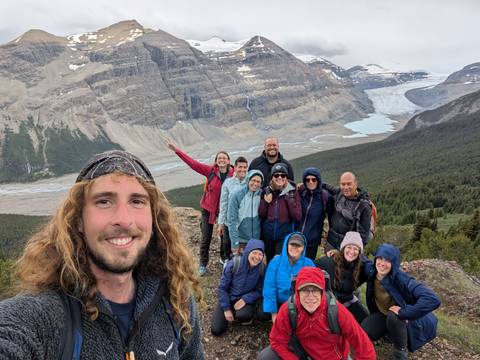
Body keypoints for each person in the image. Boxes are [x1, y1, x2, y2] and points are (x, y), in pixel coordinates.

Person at [0, 150, 204, 359]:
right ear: (78, 220)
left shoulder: (177, 301)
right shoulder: (44, 317)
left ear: (153, 219)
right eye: (104, 201)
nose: (124, 220)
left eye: (137, 201)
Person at [258, 267, 376, 360]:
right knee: (266, 357)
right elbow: (277, 340)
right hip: (303, 351)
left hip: (331, 357)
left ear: (322, 292)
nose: (310, 297)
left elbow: (364, 346)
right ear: (297, 293)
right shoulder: (289, 309)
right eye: (305, 290)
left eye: (315, 290)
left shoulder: (337, 311)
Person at [166, 138, 234, 275]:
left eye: (224, 158)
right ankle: (203, 263)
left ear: (228, 161)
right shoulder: (210, 171)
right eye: (219, 158)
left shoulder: (234, 174)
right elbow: (193, 164)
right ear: (216, 161)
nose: (221, 160)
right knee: (206, 238)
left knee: (225, 237)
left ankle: (223, 258)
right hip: (208, 209)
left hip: (224, 211)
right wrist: (177, 151)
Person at [361, 243, 441, 360]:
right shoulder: (372, 271)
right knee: (366, 330)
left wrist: (405, 312)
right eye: (380, 258)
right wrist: (337, 252)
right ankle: (389, 334)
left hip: (405, 319)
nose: (382, 263)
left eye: (388, 260)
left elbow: (432, 299)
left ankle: (400, 352)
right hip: (384, 315)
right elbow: (361, 257)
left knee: (394, 316)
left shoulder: (402, 279)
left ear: (394, 263)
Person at [211, 239, 267, 336]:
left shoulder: (261, 269)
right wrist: (226, 309)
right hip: (228, 297)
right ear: (248, 251)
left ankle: (239, 314)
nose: (257, 257)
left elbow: (259, 290)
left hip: (244, 298)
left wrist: (246, 299)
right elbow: (222, 288)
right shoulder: (234, 264)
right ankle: (231, 311)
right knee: (216, 330)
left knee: (244, 315)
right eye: (254, 253)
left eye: (260, 254)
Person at [315, 231, 370, 324]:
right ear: (343, 248)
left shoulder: (361, 267)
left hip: (347, 301)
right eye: (349, 247)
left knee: (366, 320)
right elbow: (310, 267)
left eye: (356, 249)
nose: (352, 252)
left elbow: (374, 270)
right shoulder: (329, 262)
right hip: (329, 303)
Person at [262, 232, 315, 324]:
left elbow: (315, 288)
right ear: (286, 245)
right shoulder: (276, 262)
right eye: (292, 244)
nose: (294, 248)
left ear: (303, 248)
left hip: (299, 303)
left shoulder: (309, 264)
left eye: (298, 245)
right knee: (262, 314)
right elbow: (269, 287)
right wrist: (274, 314)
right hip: (279, 301)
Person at [259, 163, 302, 262]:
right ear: (272, 177)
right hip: (268, 235)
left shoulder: (293, 192)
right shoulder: (266, 191)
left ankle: (279, 277)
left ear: (286, 177)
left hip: (284, 235)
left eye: (283, 175)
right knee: (270, 260)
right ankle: (270, 277)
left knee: (280, 260)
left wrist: (289, 201)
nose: (280, 177)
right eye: (276, 175)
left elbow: (297, 217)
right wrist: (265, 202)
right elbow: (261, 214)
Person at [325, 171, 372, 251]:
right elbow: (326, 186)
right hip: (331, 241)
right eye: (343, 184)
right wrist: (305, 185)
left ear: (356, 184)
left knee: (341, 263)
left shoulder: (363, 205)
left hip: (347, 246)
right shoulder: (339, 193)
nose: (346, 187)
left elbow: (363, 235)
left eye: (349, 184)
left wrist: (353, 251)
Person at [218, 156, 249, 262]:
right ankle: (228, 268)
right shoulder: (228, 183)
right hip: (229, 222)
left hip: (244, 223)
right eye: (240, 167)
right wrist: (221, 223)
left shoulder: (250, 182)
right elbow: (223, 203)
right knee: (228, 247)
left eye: (245, 167)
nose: (242, 170)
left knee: (243, 249)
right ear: (235, 167)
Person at [297, 167, 331, 260]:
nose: (310, 182)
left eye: (314, 179)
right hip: (296, 238)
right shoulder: (300, 192)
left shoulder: (325, 196)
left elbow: (331, 217)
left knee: (307, 267)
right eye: (307, 180)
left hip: (312, 241)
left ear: (318, 180)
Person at [227, 170, 264, 254]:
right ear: (248, 180)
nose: (255, 184)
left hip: (256, 240)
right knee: (239, 265)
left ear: (261, 184)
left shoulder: (262, 195)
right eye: (253, 180)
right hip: (241, 240)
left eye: (258, 181)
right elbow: (231, 221)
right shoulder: (236, 195)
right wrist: (234, 243)